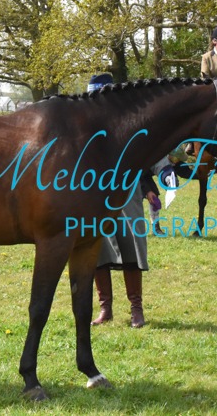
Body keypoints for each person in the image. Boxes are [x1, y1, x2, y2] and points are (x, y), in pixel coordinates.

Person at [87, 72, 150, 328]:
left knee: (131, 244)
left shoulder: (130, 121)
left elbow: (148, 152)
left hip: (126, 191)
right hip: (93, 192)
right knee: (97, 248)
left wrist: (158, 177)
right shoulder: (84, 124)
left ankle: (136, 308)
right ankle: (106, 308)